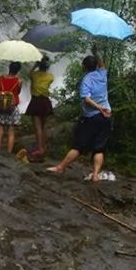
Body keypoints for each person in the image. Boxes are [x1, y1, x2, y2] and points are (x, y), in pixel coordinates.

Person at [46, 53, 112, 182]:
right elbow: (102, 64)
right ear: (97, 65)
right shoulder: (102, 74)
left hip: (92, 117)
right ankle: (96, 175)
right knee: (99, 147)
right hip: (106, 116)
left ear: (84, 67)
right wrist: (97, 52)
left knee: (78, 145)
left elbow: (86, 98)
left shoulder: (86, 79)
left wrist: (98, 108)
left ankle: (60, 167)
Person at [26, 55, 54, 154]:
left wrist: (35, 65)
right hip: (46, 102)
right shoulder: (50, 76)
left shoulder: (34, 75)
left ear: (39, 64)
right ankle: (44, 147)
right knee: (44, 126)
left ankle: (39, 148)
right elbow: (49, 82)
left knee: (37, 127)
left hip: (36, 101)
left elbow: (28, 74)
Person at [0, 61, 22, 154]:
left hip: (1, 106)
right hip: (12, 107)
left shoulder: (0, 78)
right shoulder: (19, 81)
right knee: (11, 131)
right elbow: (18, 92)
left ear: (9, 68)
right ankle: (9, 153)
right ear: (18, 70)